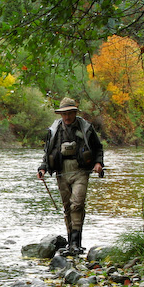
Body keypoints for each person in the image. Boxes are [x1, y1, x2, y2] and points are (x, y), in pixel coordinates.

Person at [37, 97, 104, 255]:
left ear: (75, 112)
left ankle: (75, 242)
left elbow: (98, 148)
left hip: (81, 171)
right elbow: (47, 152)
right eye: (64, 114)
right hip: (61, 171)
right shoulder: (54, 130)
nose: (67, 117)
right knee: (68, 207)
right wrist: (43, 168)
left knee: (77, 205)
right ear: (60, 114)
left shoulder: (86, 128)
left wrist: (98, 163)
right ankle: (72, 243)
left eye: (70, 113)